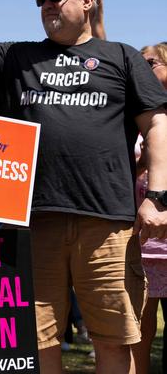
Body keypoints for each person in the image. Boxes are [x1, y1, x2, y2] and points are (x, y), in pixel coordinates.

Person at [0, 0, 167, 374]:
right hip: (35, 223)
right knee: (37, 342)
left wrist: (157, 197)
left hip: (107, 226)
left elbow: (156, 125)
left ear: (87, 1)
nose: (45, 4)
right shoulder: (17, 56)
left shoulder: (120, 56)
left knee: (115, 343)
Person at [132, 42, 167, 374]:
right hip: (143, 248)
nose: (144, 69)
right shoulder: (139, 120)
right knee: (139, 331)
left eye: (152, 63)